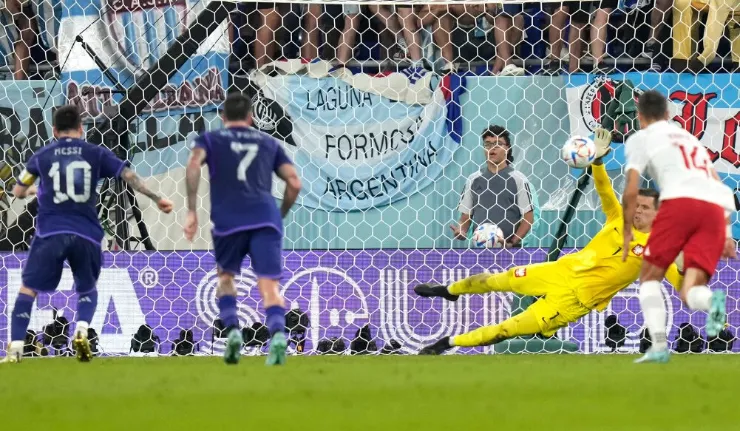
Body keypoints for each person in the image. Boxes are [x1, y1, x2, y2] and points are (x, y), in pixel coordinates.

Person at [414, 128, 684, 355]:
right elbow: (604, 189)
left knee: (509, 328)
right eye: (636, 204)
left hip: (573, 301)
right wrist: (598, 161)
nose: (637, 210)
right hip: (559, 271)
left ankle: (447, 343)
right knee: (500, 279)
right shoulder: (618, 218)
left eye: (644, 208)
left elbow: (680, 283)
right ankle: (448, 290)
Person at [2, 105, 173, 363]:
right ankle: (81, 330)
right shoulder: (95, 153)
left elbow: (17, 191)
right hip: (86, 232)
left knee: (28, 290)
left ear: (54, 130)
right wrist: (157, 198)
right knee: (87, 288)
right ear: (81, 129)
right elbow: (128, 175)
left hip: (51, 232)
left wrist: (37, 190)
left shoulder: (42, 156)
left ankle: (16, 348)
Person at [183, 92, 301, 366]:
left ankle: (234, 332)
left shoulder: (210, 140)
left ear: (223, 116)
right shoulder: (268, 142)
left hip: (228, 221)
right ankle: (278, 335)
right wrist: (279, 215)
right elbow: (294, 182)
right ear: (251, 117)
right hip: (265, 219)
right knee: (269, 286)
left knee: (225, 279)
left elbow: (193, 165)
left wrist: (191, 209)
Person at [622, 90, 736, 363]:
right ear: (667, 113)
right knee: (689, 291)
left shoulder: (641, 138)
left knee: (649, 278)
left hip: (680, 204)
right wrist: (727, 233)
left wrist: (627, 230)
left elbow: (631, 189)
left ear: (639, 117)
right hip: (712, 210)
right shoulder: (689, 139)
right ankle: (712, 302)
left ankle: (659, 345)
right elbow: (717, 183)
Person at [452, 125, 534, 248]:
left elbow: (528, 218)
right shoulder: (473, 179)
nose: (492, 148)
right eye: (488, 144)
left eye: (498, 144)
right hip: (480, 251)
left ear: (507, 148)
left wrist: (511, 243)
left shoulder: (519, 179)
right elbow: (466, 216)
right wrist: (462, 230)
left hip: (510, 251)